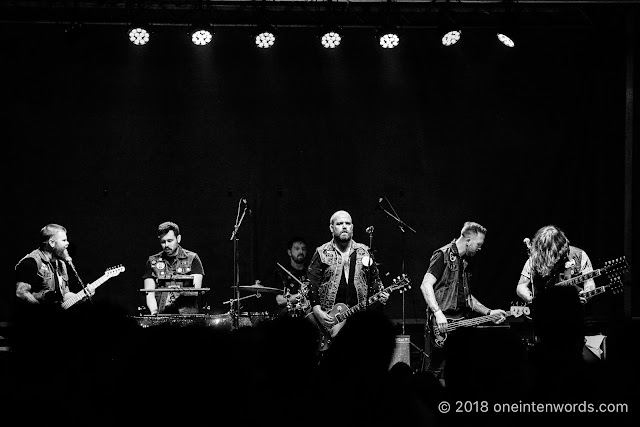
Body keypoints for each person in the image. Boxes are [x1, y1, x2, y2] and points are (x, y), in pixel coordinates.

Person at [419, 221, 506, 388]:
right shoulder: (443, 255)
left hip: (461, 321)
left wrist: (489, 312)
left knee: (463, 366)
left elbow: (467, 298)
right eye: (478, 244)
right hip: (443, 323)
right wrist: (437, 313)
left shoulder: (465, 262)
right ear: (468, 241)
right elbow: (425, 284)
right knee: (437, 367)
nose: (480, 248)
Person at [307, 210, 389, 350]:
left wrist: (382, 295)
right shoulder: (322, 252)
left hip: (358, 318)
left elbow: (375, 281)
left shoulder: (364, 251)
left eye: (347, 223)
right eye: (339, 223)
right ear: (332, 228)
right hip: (330, 317)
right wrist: (318, 312)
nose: (344, 226)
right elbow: (311, 285)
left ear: (352, 227)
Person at [14, 223, 94, 309]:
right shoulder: (31, 262)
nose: (67, 243)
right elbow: (21, 292)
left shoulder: (61, 264)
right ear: (52, 243)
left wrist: (81, 296)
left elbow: (64, 296)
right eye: (64, 240)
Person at [516, 224, 595, 304]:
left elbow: (589, 283)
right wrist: (532, 300)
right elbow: (521, 287)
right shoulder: (535, 260)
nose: (567, 255)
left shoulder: (580, 255)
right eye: (562, 255)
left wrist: (586, 294)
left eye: (567, 249)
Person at [143, 221, 205, 315]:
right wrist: (154, 313)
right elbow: (149, 292)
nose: (166, 245)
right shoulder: (152, 261)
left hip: (187, 314)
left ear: (178, 238)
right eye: (163, 242)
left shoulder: (192, 258)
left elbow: (195, 291)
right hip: (160, 314)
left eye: (170, 241)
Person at [273, 236, 311, 318]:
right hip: (288, 318)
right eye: (297, 249)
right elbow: (279, 300)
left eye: (303, 249)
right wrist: (302, 296)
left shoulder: (312, 272)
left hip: (309, 316)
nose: (301, 251)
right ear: (289, 252)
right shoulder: (281, 273)